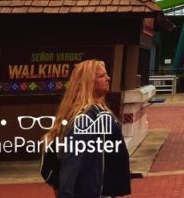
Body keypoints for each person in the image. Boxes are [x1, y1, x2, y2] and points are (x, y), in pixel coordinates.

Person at [41, 59, 131, 198]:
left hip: (104, 191)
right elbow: (71, 165)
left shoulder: (99, 110)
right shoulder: (85, 119)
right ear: (88, 83)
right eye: (102, 76)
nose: (108, 78)